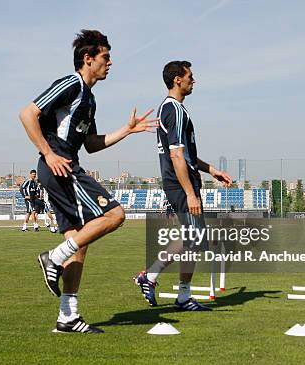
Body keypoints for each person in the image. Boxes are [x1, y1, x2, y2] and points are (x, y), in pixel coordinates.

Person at [19, 29, 158, 333]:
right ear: (88, 59)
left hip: (62, 165)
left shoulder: (89, 99)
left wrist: (127, 129)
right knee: (116, 214)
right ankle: (52, 257)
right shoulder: (71, 84)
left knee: (78, 243)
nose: (110, 63)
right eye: (105, 57)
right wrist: (48, 153)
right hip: (61, 166)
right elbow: (27, 113)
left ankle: (68, 316)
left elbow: (92, 144)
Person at [134, 61, 232, 311]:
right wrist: (190, 193)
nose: (194, 80)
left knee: (194, 239)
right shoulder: (173, 109)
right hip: (180, 185)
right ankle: (160, 281)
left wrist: (213, 171)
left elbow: (186, 155)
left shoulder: (175, 110)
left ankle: (169, 288)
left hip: (181, 182)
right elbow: (177, 156)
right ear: (177, 79)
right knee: (195, 238)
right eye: (190, 76)